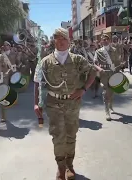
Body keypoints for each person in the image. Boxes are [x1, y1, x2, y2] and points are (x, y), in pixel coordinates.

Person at [33, 28, 97, 180]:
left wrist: (83, 89)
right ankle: (61, 168)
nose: (61, 41)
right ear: (53, 40)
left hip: (72, 104)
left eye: (64, 39)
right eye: (58, 38)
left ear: (69, 41)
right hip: (53, 104)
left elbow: (93, 72)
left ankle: (70, 165)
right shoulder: (45, 61)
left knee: (71, 135)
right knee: (58, 137)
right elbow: (37, 82)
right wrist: (36, 103)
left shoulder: (77, 60)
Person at [94, 34, 125, 120]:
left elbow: (117, 62)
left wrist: (121, 66)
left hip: (113, 73)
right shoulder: (98, 51)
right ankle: (107, 111)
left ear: (109, 41)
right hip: (104, 74)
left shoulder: (114, 50)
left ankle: (110, 104)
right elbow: (95, 63)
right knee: (105, 92)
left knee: (111, 92)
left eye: (107, 39)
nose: (105, 41)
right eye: (103, 40)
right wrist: (99, 69)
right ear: (101, 41)